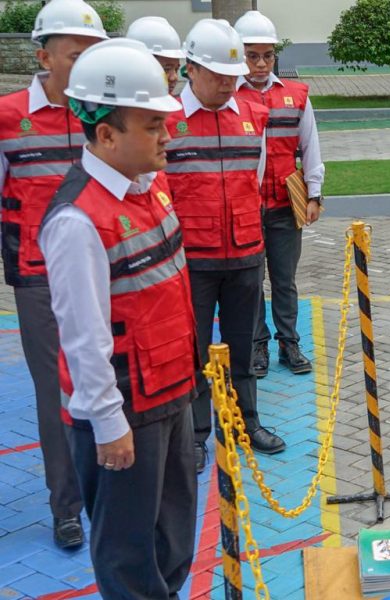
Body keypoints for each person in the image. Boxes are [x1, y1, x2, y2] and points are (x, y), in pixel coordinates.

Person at [38, 38, 197, 599]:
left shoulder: (148, 189)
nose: (168, 136)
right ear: (106, 134)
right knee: (128, 554)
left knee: (174, 537)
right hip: (126, 410)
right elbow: (83, 338)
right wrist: (109, 424)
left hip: (171, 392)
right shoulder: (78, 221)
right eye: (154, 125)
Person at [0, 0, 107, 550]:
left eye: (94, 52)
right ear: (44, 56)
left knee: (109, 379)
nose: (87, 62)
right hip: (38, 278)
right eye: (76, 53)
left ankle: (109, 491)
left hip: (109, 272)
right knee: (56, 393)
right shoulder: (6, 115)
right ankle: (66, 506)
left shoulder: (104, 114)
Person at [165, 18, 286, 474]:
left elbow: (253, 180)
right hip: (191, 260)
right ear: (189, 68)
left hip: (244, 253)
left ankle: (244, 423)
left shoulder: (254, 115)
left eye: (231, 76)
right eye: (216, 75)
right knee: (194, 351)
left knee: (242, 345)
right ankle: (196, 434)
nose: (226, 84)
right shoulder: (168, 120)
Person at [233, 10, 324, 378]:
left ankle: (288, 342)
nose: (259, 63)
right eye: (251, 55)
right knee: (250, 280)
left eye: (266, 55)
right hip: (246, 206)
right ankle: (257, 344)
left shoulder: (295, 95)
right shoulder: (229, 95)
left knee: (284, 278)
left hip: (286, 203)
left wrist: (314, 194)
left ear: (275, 56)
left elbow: (310, 146)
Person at [125, 16, 184, 95]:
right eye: (166, 69)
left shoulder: (175, 105)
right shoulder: (119, 105)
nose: (174, 77)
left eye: (176, 69)